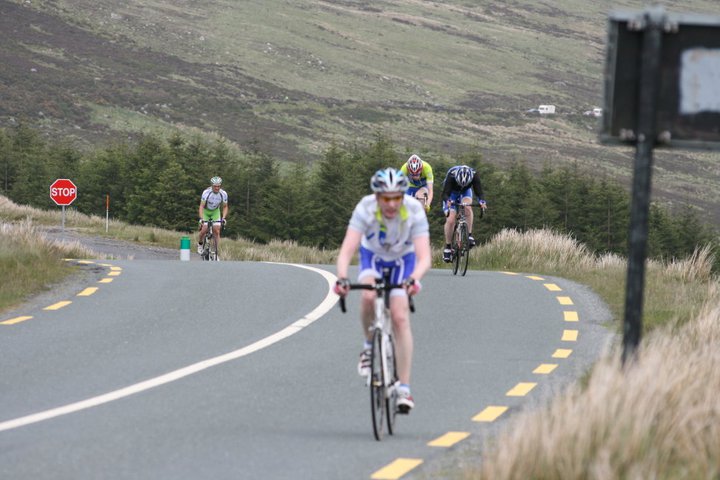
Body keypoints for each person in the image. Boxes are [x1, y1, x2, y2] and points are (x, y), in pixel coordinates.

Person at [334, 167, 431, 414]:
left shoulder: (414, 210)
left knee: (399, 316)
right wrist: (343, 278)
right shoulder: (365, 208)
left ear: (402, 196)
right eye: (385, 198)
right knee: (367, 295)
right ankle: (368, 347)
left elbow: (424, 257)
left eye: (396, 197)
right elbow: (347, 250)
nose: (391, 203)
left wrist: (414, 279)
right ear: (377, 197)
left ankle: (404, 387)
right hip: (373, 258)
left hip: (403, 261)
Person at [441, 165, 487, 263]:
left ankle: (469, 235)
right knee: (450, 219)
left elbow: (479, 192)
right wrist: (448, 201)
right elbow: (445, 194)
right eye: (460, 183)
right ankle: (448, 247)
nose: (462, 185)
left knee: (467, 207)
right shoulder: (451, 175)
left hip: (465, 192)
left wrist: (482, 202)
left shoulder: (474, 175)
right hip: (452, 193)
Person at [198, 176, 229, 256]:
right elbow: (201, 206)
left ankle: (215, 252)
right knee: (204, 229)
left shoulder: (223, 194)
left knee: (217, 230)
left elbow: (225, 207)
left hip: (215, 212)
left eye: (218, 186)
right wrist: (201, 218)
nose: (217, 188)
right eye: (215, 186)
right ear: (212, 186)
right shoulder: (206, 193)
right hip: (206, 211)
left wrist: (224, 218)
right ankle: (200, 244)